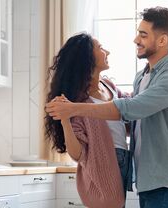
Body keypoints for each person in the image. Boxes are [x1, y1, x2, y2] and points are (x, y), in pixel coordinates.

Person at [46, 6, 168, 208]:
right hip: (145, 178)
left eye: (143, 35)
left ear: (162, 40)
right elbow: (132, 119)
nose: (136, 40)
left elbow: (130, 108)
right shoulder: (143, 77)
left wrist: (73, 109)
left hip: (165, 177)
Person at [44, 33, 131, 208]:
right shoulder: (77, 101)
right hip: (103, 163)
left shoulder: (109, 86)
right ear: (86, 57)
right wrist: (65, 120)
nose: (107, 51)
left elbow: (128, 111)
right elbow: (77, 154)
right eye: (100, 47)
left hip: (124, 159)